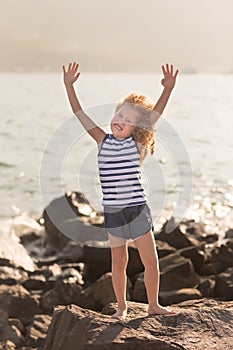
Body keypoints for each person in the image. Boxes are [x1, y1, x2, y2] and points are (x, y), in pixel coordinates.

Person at [63, 62, 179, 320]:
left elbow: (154, 115)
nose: (120, 121)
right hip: (114, 211)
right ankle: (122, 307)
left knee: (151, 261)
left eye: (128, 120)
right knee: (119, 263)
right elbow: (79, 112)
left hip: (137, 209)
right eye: (119, 115)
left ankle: (153, 305)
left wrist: (167, 90)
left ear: (137, 128)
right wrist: (69, 86)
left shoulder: (136, 144)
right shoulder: (101, 140)